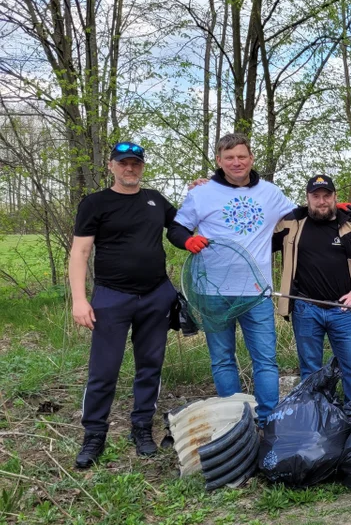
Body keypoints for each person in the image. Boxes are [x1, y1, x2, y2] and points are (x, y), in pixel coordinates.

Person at [69, 141, 192, 468]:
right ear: (111, 166)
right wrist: (80, 300)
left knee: (149, 366)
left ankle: (141, 428)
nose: (130, 168)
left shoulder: (155, 200)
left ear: (142, 166)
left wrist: (200, 194)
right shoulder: (95, 203)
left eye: (135, 163)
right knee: (103, 371)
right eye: (123, 163)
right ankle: (94, 434)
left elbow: (180, 227)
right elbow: (80, 253)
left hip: (156, 295)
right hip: (112, 297)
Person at [174, 133, 296, 426]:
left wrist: (336, 213)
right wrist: (187, 241)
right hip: (212, 293)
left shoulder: (270, 192)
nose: (236, 162)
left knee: (265, 360)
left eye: (242, 156)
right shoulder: (201, 193)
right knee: (223, 358)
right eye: (229, 158)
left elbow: (299, 218)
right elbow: (176, 230)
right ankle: (234, 421)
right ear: (219, 161)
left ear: (251, 159)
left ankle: (268, 420)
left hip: (257, 293)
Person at [274, 174, 351, 402]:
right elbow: (259, 240)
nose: (321, 201)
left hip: (341, 309)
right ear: (307, 198)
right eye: (316, 196)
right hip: (305, 308)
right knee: (311, 370)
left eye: (327, 196)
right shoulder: (292, 222)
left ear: (335, 197)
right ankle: (317, 414)